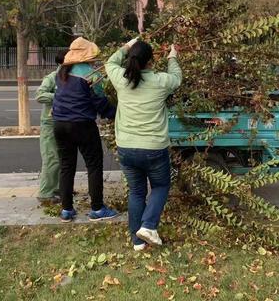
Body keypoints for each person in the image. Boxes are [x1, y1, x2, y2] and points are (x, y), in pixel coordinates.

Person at [105, 39, 182, 251]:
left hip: (127, 148)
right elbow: (177, 78)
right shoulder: (160, 81)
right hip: (154, 148)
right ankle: (148, 226)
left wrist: (126, 46)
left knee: (136, 192)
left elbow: (110, 62)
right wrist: (173, 56)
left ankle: (137, 241)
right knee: (161, 186)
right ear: (151, 61)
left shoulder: (122, 79)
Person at [52, 37, 117, 223]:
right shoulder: (91, 75)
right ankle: (97, 208)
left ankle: (66, 209)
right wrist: (116, 114)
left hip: (59, 124)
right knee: (94, 165)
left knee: (66, 166)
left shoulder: (61, 71)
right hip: (82, 125)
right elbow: (100, 102)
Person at [35, 50, 68, 204]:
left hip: (64, 122)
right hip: (50, 123)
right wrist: (59, 97)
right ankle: (45, 193)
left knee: (63, 158)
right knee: (51, 159)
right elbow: (40, 95)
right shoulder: (52, 78)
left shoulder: (70, 77)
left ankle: (59, 188)